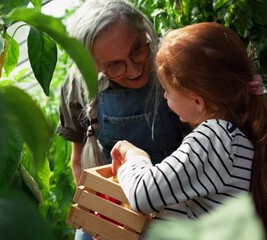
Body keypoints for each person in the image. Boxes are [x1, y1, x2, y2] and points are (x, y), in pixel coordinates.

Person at [111, 22, 267, 238]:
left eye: (168, 91)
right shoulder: (233, 139)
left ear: (198, 101)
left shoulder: (214, 137)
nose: (164, 97)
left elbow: (143, 195)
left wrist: (135, 157)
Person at [56, 0, 188, 239]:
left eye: (137, 50)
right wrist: (99, 217)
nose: (134, 70)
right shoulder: (78, 86)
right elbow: (78, 162)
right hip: (117, 206)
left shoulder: (173, 67)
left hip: (179, 199)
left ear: (144, 31)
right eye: (115, 66)